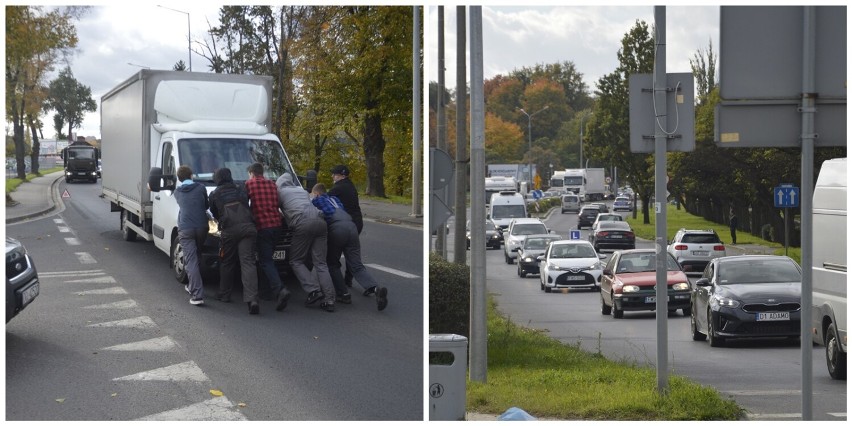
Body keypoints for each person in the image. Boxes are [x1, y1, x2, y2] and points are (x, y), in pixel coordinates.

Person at [312, 183, 388, 311]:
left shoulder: (317, 200)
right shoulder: (335, 199)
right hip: (352, 228)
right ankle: (376, 289)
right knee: (356, 265)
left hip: (337, 229)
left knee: (332, 263)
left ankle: (343, 294)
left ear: (317, 193)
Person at [276, 172, 336, 312]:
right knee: (321, 263)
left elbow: (277, 210)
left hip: (303, 223)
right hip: (320, 222)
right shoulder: (301, 191)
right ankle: (329, 300)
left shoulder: (280, 192)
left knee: (296, 260)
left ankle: (313, 290)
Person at [209, 168, 261, 315]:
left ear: (217, 179)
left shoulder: (215, 194)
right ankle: (252, 300)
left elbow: (214, 212)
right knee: (248, 262)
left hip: (229, 231)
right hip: (248, 228)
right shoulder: (241, 189)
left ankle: (224, 294)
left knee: (227, 261)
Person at [245, 162, 290, 312]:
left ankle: (280, 290)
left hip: (262, 227)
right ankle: (266, 292)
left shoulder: (249, 184)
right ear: (262, 172)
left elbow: (244, 203)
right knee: (268, 259)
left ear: (251, 173)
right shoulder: (272, 184)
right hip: (277, 226)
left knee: (265, 261)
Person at [174, 165, 209, 306]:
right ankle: (191, 285)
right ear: (191, 176)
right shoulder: (201, 188)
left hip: (186, 228)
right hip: (202, 227)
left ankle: (197, 295)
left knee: (191, 259)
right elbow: (206, 206)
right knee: (197, 255)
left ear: (179, 178)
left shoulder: (177, 192)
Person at [328, 164, 363, 288]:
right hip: (357, 222)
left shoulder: (339, 187)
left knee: (335, 252)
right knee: (351, 251)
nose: (332, 176)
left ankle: (338, 280)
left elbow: (325, 199)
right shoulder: (350, 185)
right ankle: (349, 278)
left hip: (345, 223)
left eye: (335, 174)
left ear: (342, 175)